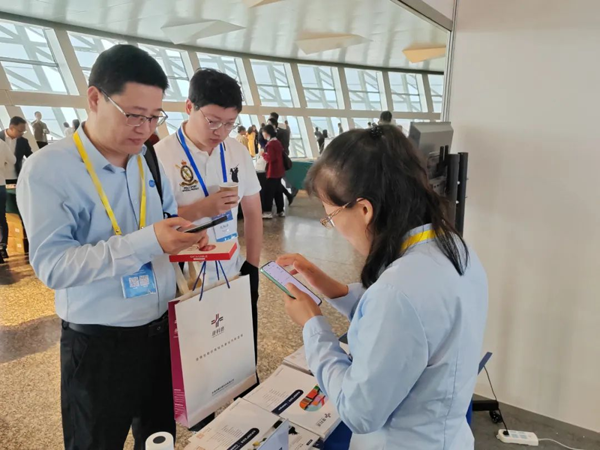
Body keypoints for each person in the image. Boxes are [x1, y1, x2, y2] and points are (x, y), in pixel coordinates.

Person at [17, 44, 209, 450]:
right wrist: (148, 240)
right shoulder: (49, 169)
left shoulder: (147, 159)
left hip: (159, 333)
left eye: (154, 116)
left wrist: (187, 237)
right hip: (99, 347)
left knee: (158, 440)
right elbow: (53, 267)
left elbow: (166, 220)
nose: (145, 128)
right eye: (134, 115)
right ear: (94, 98)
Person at [276, 125, 488, 449]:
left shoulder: (398, 292)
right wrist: (329, 287)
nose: (334, 228)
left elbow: (358, 411)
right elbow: (411, 322)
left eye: (331, 216)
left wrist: (313, 326)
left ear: (364, 210)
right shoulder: (454, 248)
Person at [154, 68, 263, 366]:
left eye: (229, 123)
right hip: (185, 281)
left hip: (232, 271)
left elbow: (253, 211)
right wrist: (202, 209)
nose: (220, 132)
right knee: (197, 366)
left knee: (239, 359)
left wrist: (252, 266)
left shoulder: (236, 151)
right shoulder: (160, 156)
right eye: (212, 121)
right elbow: (152, 225)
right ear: (189, 107)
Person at [260, 124, 285, 219]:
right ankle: (280, 210)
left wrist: (263, 154)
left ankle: (267, 212)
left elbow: (270, 158)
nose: (263, 134)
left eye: (263, 132)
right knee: (278, 192)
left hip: (272, 171)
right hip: (279, 170)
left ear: (267, 133)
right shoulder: (277, 142)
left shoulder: (270, 144)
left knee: (268, 192)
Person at [0, 116, 32, 184]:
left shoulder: (23, 141)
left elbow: (30, 156)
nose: (22, 133)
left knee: (13, 191)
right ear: (11, 128)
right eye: (20, 131)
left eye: (24, 131)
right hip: (1, 177)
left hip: (15, 177)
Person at [0, 138, 16, 261]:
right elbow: (13, 160)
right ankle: (2, 248)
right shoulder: (2, 144)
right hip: (0, 184)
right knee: (1, 217)